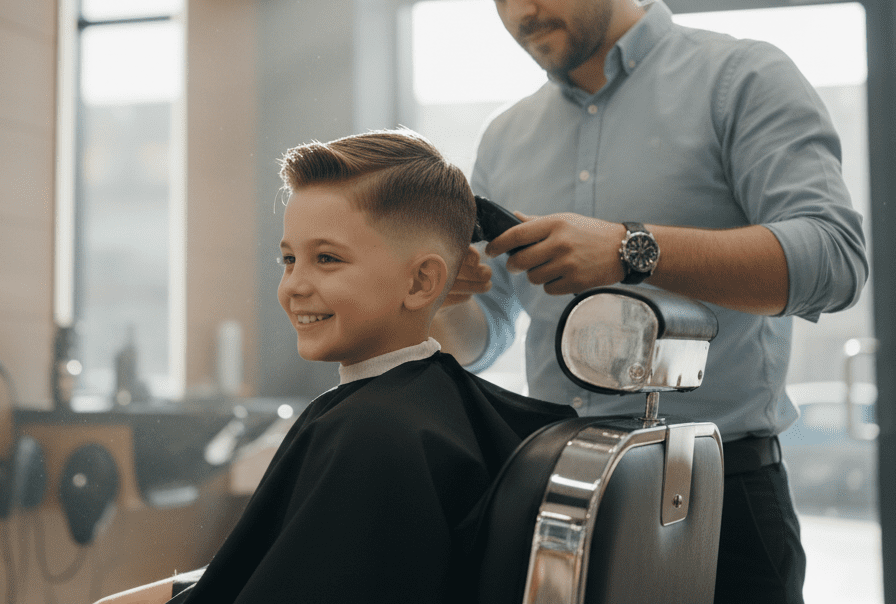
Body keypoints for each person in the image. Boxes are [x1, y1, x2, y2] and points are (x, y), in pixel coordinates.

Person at [430, 0, 868, 604]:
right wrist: (444, 297)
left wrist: (632, 251)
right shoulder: (503, 139)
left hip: (723, 492)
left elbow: (834, 261)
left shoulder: (742, 79)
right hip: (558, 492)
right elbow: (487, 333)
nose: (517, 12)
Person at [96, 129, 574, 604]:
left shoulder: (373, 432)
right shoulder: (421, 415)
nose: (294, 286)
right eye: (289, 259)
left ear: (422, 281)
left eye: (327, 259)